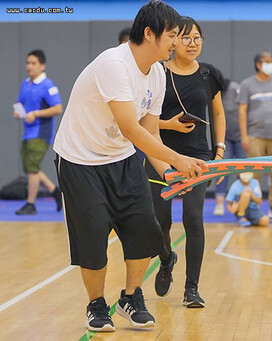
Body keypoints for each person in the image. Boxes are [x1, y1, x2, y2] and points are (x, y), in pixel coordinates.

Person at [53, 1, 206, 332]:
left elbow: (150, 132)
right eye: (172, 36)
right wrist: (179, 159)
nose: (177, 44)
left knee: (143, 228)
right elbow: (131, 129)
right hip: (80, 160)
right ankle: (96, 305)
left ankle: (130, 297)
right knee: (93, 233)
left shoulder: (158, 74)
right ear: (149, 34)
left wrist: (169, 174)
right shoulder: (114, 65)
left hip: (121, 158)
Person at [145, 16, 226, 308]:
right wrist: (169, 126)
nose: (192, 44)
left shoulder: (208, 74)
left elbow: (218, 113)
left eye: (197, 38)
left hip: (199, 157)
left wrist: (218, 152)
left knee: (193, 219)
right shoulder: (156, 72)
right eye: (186, 38)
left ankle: (192, 289)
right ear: (173, 40)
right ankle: (166, 259)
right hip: (159, 155)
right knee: (159, 222)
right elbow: (145, 122)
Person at [238, 50, 272, 222]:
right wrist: (244, 135)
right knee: (253, 174)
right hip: (255, 135)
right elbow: (242, 110)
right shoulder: (247, 84)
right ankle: (252, 208)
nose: (270, 64)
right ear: (258, 64)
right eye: (266, 61)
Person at [13, 49, 62, 215]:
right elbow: (22, 104)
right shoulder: (25, 84)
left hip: (41, 132)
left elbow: (57, 108)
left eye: (33, 63)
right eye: (27, 62)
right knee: (29, 167)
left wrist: (36, 114)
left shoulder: (48, 85)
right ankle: (53, 190)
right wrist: (19, 112)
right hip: (27, 132)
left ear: (42, 66)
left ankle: (30, 203)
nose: (29, 66)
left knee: (32, 168)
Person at [213, 76, 245, 216]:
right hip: (225, 137)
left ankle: (242, 203)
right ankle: (220, 203)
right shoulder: (215, 93)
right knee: (222, 169)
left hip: (240, 135)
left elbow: (244, 109)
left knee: (242, 170)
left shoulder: (235, 88)